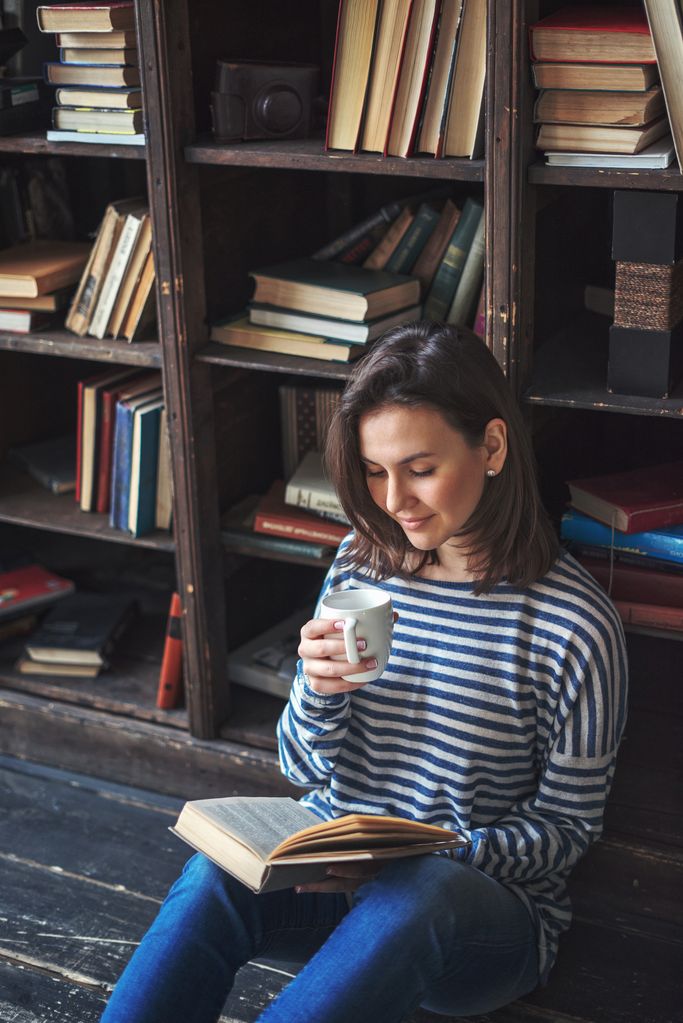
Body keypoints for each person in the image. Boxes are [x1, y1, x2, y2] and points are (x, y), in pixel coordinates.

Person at [101, 321, 628, 1023]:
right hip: (336, 878)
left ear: (492, 446)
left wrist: (436, 852)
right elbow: (300, 765)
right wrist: (316, 692)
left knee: (423, 891)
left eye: (419, 468)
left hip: (473, 922)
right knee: (212, 876)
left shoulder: (573, 624)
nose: (393, 500)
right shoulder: (361, 563)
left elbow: (565, 829)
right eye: (375, 471)